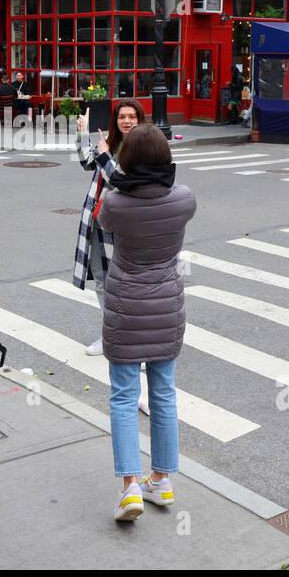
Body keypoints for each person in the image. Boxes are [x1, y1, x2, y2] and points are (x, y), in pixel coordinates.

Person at [95, 124, 196, 522]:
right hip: (167, 303)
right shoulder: (184, 199)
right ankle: (162, 480)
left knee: (123, 396)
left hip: (125, 306)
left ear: (128, 160)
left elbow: (105, 226)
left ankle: (130, 488)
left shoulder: (116, 203)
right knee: (164, 395)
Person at [73, 100, 144, 357]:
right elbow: (86, 163)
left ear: (140, 119)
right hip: (98, 221)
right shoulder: (111, 145)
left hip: (122, 227)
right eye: (122, 117)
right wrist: (82, 132)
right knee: (102, 282)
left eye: (132, 117)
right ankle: (110, 335)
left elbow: (122, 182)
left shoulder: (143, 149)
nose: (126, 121)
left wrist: (103, 153)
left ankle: (135, 342)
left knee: (124, 286)